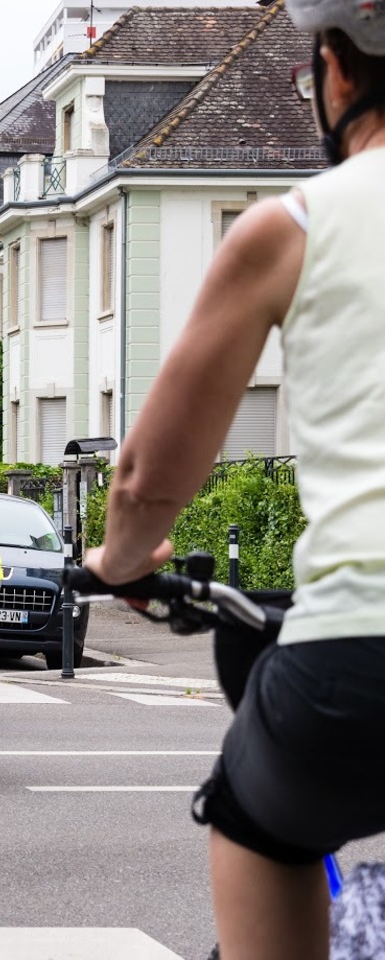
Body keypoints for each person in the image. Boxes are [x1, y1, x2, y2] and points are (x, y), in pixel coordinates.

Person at [83, 4, 385, 956]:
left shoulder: (294, 227)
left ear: (338, 69)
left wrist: (122, 562)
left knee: (256, 821)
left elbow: (148, 475)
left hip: (358, 663)